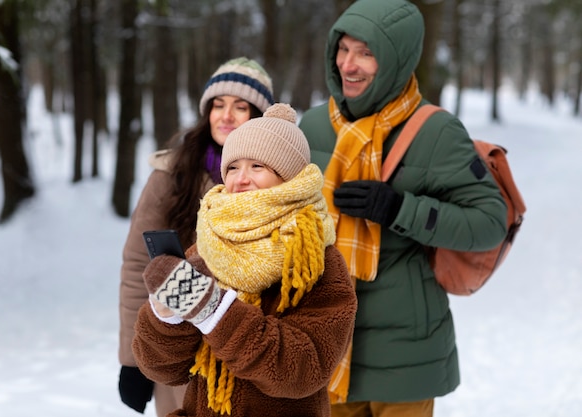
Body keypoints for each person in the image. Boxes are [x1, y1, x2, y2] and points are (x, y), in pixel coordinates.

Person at [298, 0, 509, 416]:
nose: (349, 64)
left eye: (367, 52)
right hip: (326, 339)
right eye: (343, 49)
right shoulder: (313, 125)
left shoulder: (436, 132)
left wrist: (399, 210)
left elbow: (489, 223)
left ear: (398, 58)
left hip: (406, 354)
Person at [131, 103, 358, 417]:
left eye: (257, 167)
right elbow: (162, 369)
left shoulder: (315, 258)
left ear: (289, 177)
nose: (241, 179)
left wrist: (213, 311)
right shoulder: (209, 246)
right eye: (233, 167)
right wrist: (167, 316)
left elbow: (303, 369)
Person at [118, 57, 275, 416]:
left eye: (240, 106)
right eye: (218, 105)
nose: (226, 116)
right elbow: (138, 267)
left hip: (250, 346)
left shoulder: (278, 182)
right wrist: (133, 360)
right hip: (181, 348)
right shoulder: (171, 175)